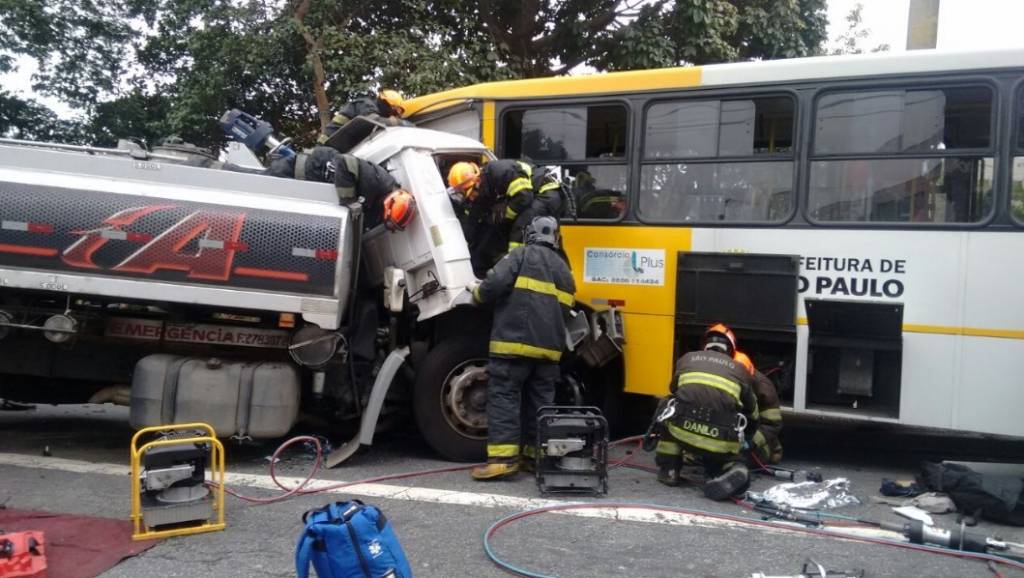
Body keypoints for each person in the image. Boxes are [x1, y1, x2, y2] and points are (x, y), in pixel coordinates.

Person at [467, 216, 576, 480]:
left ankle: (503, 460)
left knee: (504, 397)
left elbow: (492, 285)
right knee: (540, 404)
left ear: (530, 234)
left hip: (513, 345)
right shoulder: (564, 271)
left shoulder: (520, 255)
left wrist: (477, 293)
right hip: (549, 352)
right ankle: (535, 457)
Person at [651, 323, 760, 500]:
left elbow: (674, 388)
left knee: (667, 403)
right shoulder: (740, 370)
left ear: (704, 346)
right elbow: (753, 413)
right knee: (726, 455)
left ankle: (669, 470)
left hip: (681, 432)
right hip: (720, 441)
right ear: (731, 350)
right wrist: (745, 441)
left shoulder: (687, 359)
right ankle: (733, 467)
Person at [267, 146, 411, 229]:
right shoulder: (376, 181)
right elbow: (344, 161)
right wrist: (349, 200)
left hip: (305, 182)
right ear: (389, 205)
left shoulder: (377, 196)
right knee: (262, 185)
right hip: (301, 170)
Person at [448, 159, 534, 272]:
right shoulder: (483, 187)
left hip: (540, 193)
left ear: (476, 183)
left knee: (519, 225)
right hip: (522, 196)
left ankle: (516, 266)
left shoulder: (500, 172)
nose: (470, 198)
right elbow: (473, 218)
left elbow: (525, 197)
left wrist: (505, 214)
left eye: (468, 193)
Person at [318, 89, 407, 146]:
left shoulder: (372, 107)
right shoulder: (367, 105)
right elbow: (372, 120)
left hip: (335, 145)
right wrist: (400, 123)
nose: (393, 116)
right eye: (394, 111)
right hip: (325, 146)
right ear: (386, 104)